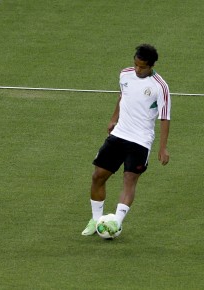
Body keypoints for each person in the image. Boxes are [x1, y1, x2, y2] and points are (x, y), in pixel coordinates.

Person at [81, 44, 171, 236]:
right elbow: (123, 96)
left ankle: (115, 224)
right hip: (119, 135)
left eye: (142, 67)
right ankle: (96, 221)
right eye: (136, 65)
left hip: (140, 141)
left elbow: (165, 117)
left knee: (129, 179)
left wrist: (163, 148)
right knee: (98, 176)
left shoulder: (160, 86)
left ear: (151, 65)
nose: (137, 70)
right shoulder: (125, 74)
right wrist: (114, 118)